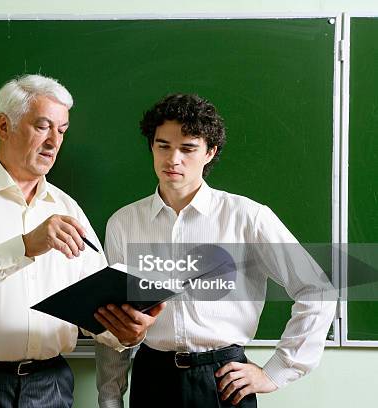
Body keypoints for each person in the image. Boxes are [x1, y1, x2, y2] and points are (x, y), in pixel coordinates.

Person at [0, 74, 161, 408]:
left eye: (62, 130)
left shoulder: (68, 208)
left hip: (50, 386)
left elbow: (98, 303)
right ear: (4, 126)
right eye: (43, 126)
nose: (54, 142)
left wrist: (127, 333)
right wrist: (24, 246)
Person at [95, 94, 337, 407]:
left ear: (210, 152)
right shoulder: (123, 223)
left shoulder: (247, 217)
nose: (173, 159)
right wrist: (110, 399)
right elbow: (115, 321)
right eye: (163, 145)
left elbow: (318, 290)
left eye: (188, 148)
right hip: (152, 378)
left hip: (223, 380)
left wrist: (276, 372)